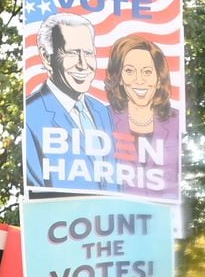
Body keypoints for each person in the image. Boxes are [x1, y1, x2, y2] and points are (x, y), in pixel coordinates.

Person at [24, 12, 116, 192]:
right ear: (47, 57)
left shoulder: (103, 112)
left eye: (89, 53)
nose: (83, 64)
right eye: (72, 53)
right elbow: (36, 194)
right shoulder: (32, 114)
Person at [104, 34, 180, 200]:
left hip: (163, 218)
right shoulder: (102, 118)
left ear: (159, 79)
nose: (139, 80)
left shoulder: (177, 122)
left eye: (147, 72)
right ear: (120, 78)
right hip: (113, 217)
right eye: (130, 71)